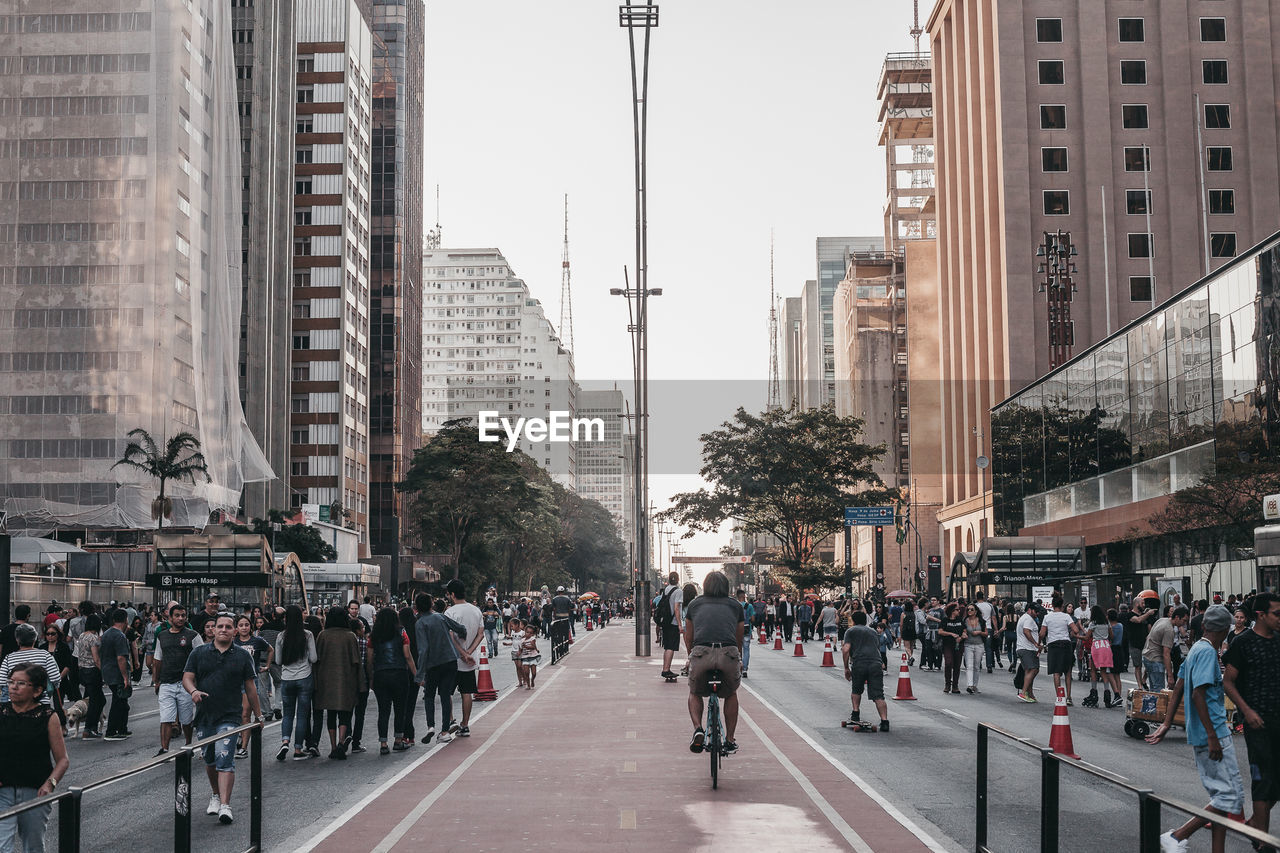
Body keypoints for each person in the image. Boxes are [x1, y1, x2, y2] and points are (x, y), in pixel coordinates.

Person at [1147, 605, 1244, 853]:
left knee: (1220, 797)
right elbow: (1197, 693)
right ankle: (1178, 836)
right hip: (1214, 733)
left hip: (1202, 733)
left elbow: (1178, 687)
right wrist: (1213, 736)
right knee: (1228, 796)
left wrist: (1167, 724)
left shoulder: (1195, 650)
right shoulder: (1208, 653)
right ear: (1224, 630)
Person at [184, 614, 262, 826]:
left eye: (229, 627)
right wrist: (193, 691)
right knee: (210, 759)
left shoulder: (243, 656)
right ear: (213, 630)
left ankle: (225, 805)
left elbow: (250, 687)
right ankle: (215, 795)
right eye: (220, 626)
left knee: (225, 756)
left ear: (234, 631)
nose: (224, 630)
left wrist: (259, 714)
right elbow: (187, 677)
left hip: (230, 715)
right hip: (205, 715)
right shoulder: (199, 653)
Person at [1223, 592, 1280, 841]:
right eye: (1276, 613)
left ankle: (1256, 823)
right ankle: (1262, 840)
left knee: (1275, 781)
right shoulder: (1242, 643)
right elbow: (1228, 682)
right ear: (1261, 615)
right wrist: (1247, 711)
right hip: (1257, 722)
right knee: (1263, 780)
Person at [0, 662, 69, 853]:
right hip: (2, 792)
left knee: (33, 846)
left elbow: (63, 760)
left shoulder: (47, 716)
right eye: (11, 681)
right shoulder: (1, 712)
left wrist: (50, 784)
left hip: (35, 793)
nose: (13, 687)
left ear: (37, 690)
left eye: (21, 683)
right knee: (2, 846)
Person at [683, 571, 743, 755]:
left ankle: (698, 729)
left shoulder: (694, 604)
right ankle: (730, 739)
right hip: (728, 653)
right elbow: (739, 636)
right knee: (731, 693)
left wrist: (691, 656)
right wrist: (738, 657)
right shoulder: (736, 606)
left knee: (694, 692)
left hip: (702, 653)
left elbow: (689, 636)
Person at [414, 594, 468, 745]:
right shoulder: (440, 617)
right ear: (431, 604)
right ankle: (445, 730)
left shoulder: (420, 623)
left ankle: (430, 726)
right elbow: (460, 628)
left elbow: (423, 650)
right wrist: (463, 637)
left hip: (433, 664)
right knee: (445, 695)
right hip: (450, 660)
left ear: (416, 607)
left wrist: (419, 674)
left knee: (429, 696)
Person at [151, 604, 202, 755]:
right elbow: (157, 659)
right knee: (166, 718)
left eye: (183, 615)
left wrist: (197, 684)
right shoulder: (162, 636)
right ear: (170, 618)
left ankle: (188, 745)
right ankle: (164, 749)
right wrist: (156, 680)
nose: (180, 618)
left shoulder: (193, 635)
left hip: (185, 684)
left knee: (186, 719)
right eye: (177, 615)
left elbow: (201, 658)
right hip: (166, 683)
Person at [314, 606, 360, 760]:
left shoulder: (322, 635)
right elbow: (356, 661)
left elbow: (316, 659)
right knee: (345, 713)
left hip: (326, 679)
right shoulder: (350, 636)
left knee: (331, 714)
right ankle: (342, 742)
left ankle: (333, 746)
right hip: (346, 678)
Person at [274, 605, 318, 761]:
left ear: (286, 619)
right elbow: (313, 658)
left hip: (287, 678)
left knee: (287, 714)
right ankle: (298, 749)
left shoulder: (280, 636)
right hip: (304, 677)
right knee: (302, 716)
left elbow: (278, 660)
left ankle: (285, 741)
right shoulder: (308, 635)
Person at [370, 607, 416, 754]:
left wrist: (371, 676)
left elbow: (370, 659)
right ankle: (398, 740)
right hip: (399, 674)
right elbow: (407, 656)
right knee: (400, 709)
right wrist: (416, 674)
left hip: (380, 674)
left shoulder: (373, 635)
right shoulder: (402, 632)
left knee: (383, 710)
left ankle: (383, 743)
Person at [443, 578, 484, 737]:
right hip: (470, 661)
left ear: (452, 594)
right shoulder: (476, 610)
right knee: (467, 693)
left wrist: (462, 653)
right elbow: (480, 634)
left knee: (447, 692)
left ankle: (451, 720)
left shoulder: (450, 612)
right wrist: (469, 652)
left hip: (453, 660)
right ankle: (465, 725)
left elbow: (450, 637)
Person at [233, 615, 273, 759]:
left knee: (245, 713)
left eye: (246, 625)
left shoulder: (257, 640)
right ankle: (239, 733)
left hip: (250, 681)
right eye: (241, 625)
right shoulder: (233, 642)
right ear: (236, 628)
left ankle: (243, 747)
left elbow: (270, 650)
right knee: (235, 714)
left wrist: (267, 666)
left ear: (251, 626)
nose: (244, 627)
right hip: (234, 681)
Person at [843, 610, 890, 730]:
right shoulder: (873, 631)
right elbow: (877, 648)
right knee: (878, 695)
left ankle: (855, 713)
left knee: (857, 689)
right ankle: (884, 721)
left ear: (853, 621)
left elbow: (846, 649)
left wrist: (846, 668)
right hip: (875, 663)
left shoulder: (851, 631)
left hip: (859, 663)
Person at [1041, 595, 1081, 705]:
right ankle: (1069, 697)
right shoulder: (1066, 617)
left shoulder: (1047, 617)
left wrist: (1039, 643)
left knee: (1056, 672)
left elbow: (1042, 633)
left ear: (1052, 605)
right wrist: (1071, 633)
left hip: (1053, 644)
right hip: (1066, 644)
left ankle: (1059, 697)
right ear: (1062, 606)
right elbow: (1076, 630)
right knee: (1068, 671)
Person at [99, 609, 132, 740]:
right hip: (117, 672)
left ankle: (122, 728)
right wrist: (125, 677)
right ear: (126, 620)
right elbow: (121, 658)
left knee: (122, 702)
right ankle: (112, 731)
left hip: (107, 671)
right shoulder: (120, 636)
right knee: (119, 702)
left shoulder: (106, 634)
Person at [1082, 605, 1123, 708]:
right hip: (1106, 646)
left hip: (1096, 646)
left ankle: (1094, 693)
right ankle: (1107, 695)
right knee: (1104, 671)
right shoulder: (1106, 623)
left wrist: (1076, 636)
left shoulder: (1093, 623)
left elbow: (1087, 637)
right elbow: (1112, 636)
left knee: (1093, 670)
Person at [1144, 606, 1189, 692]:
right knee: (1158, 692)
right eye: (1184, 620)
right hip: (1156, 660)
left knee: (1153, 691)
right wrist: (1170, 676)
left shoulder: (1162, 620)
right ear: (1176, 617)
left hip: (1148, 657)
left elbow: (1149, 637)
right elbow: (1166, 654)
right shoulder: (1169, 630)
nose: (1184, 623)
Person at [655, 571, 684, 680]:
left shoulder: (666, 590)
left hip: (665, 621)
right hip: (673, 622)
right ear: (678, 580)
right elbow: (676, 608)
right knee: (671, 647)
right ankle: (666, 669)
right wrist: (680, 624)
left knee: (667, 646)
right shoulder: (678, 591)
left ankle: (666, 668)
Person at [1127, 595, 1158, 689]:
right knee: (1138, 666)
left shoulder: (1144, 615)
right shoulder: (1130, 615)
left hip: (1145, 643)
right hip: (1135, 644)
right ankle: (1140, 685)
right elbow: (1138, 620)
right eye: (1142, 603)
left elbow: (1149, 627)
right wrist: (1148, 613)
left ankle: (1144, 680)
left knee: (1149, 663)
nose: (1144, 605)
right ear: (1136, 604)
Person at [1016, 603, 1043, 702]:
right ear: (1030, 610)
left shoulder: (1025, 618)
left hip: (1025, 648)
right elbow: (1026, 631)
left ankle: (1030, 694)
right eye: (1036, 612)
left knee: (1029, 671)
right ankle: (1023, 692)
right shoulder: (1028, 619)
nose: (1037, 614)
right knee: (1034, 669)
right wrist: (1035, 643)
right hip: (1027, 648)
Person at [937, 602, 965, 694]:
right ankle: (947, 684)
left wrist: (961, 637)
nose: (959, 611)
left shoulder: (960, 620)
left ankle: (955, 685)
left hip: (958, 645)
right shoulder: (945, 620)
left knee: (957, 665)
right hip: (947, 644)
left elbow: (964, 631)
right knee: (948, 663)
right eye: (957, 609)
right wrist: (951, 634)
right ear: (952, 611)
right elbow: (940, 631)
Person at [961, 603, 988, 693]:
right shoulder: (965, 620)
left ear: (976, 611)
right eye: (968, 609)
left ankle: (975, 685)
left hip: (979, 645)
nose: (969, 611)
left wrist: (979, 632)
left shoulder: (981, 621)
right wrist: (964, 634)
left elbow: (986, 633)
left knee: (976, 666)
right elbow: (963, 630)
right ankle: (970, 685)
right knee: (969, 666)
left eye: (972, 609)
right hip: (968, 644)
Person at [974, 590, 996, 673]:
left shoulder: (975, 606)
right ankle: (989, 666)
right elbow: (993, 618)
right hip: (989, 628)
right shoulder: (989, 605)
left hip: (977, 629)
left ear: (976, 597)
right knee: (988, 648)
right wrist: (996, 629)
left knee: (978, 647)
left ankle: (978, 664)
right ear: (983, 597)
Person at [517, 619, 541, 688]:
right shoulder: (521, 641)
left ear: (532, 634)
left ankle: (532, 680)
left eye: (530, 633)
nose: (528, 634)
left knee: (534, 673)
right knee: (526, 672)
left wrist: (528, 646)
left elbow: (533, 647)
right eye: (527, 632)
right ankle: (528, 684)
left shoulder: (532, 639)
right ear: (525, 632)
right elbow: (520, 649)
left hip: (533, 657)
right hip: (525, 657)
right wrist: (519, 653)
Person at [736, 590, 754, 678]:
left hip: (736, 630)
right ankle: (745, 669)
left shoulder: (735, 606)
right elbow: (753, 619)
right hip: (746, 630)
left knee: (737, 649)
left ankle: (738, 667)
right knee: (746, 649)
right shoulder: (749, 606)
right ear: (744, 596)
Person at [900, 600, 918, 666]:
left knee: (907, 647)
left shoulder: (903, 614)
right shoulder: (914, 614)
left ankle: (911, 657)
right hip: (913, 631)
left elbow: (901, 624)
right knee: (911, 646)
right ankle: (909, 659)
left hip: (906, 630)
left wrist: (901, 632)